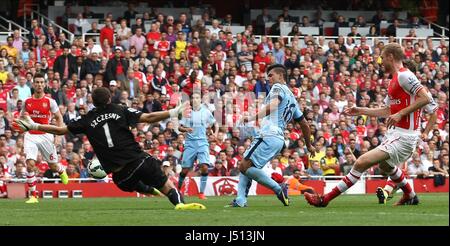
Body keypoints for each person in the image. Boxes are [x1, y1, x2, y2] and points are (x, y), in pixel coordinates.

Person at [15, 87, 205, 210]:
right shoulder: (119, 109)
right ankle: (179, 203)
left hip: (120, 176)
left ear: (93, 101)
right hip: (138, 160)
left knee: (131, 182)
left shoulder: (87, 119)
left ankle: (148, 188)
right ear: (109, 98)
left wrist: (35, 126)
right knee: (167, 186)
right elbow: (148, 118)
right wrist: (172, 112)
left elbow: (60, 129)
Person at [305, 43, 432, 207]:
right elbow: (387, 110)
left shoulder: (404, 75)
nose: (381, 62)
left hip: (405, 135)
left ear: (390, 57)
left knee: (361, 162)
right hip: (396, 134)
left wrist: (401, 113)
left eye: (382, 58)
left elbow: (425, 98)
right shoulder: (394, 79)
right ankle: (410, 195)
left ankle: (324, 199)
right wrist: (360, 110)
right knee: (385, 165)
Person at [229, 64, 316, 207]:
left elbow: (273, 105)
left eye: (271, 75)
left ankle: (278, 188)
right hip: (279, 139)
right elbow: (305, 124)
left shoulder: (278, 88)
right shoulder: (292, 98)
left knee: (244, 166)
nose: (268, 78)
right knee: (248, 165)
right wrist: (309, 145)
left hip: (268, 134)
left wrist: (252, 118)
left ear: (280, 76)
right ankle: (240, 200)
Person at [377, 89, 438, 203]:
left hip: (410, 135)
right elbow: (386, 109)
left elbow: (434, 114)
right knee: (387, 164)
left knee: (399, 163)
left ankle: (388, 191)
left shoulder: (423, 92)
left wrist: (425, 132)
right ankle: (406, 194)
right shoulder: (395, 87)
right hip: (392, 132)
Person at [18, 73, 68, 204]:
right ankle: (33, 196)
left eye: (41, 82)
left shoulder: (50, 102)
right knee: (29, 165)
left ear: (45, 84)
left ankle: (61, 170)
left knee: (53, 166)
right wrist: (19, 124)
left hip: (46, 135)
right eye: (37, 82)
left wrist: (58, 136)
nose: (39, 84)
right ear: (33, 84)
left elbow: (59, 118)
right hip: (30, 136)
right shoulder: (27, 101)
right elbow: (22, 117)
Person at [178, 92, 217, 200]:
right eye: (193, 98)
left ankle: (201, 193)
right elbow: (180, 128)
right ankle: (178, 190)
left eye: (197, 98)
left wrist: (215, 133)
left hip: (203, 142)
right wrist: (186, 129)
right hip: (190, 144)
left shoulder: (206, 112)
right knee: (185, 170)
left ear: (200, 100)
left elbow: (214, 123)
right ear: (191, 100)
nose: (195, 99)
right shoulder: (187, 113)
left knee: (204, 167)